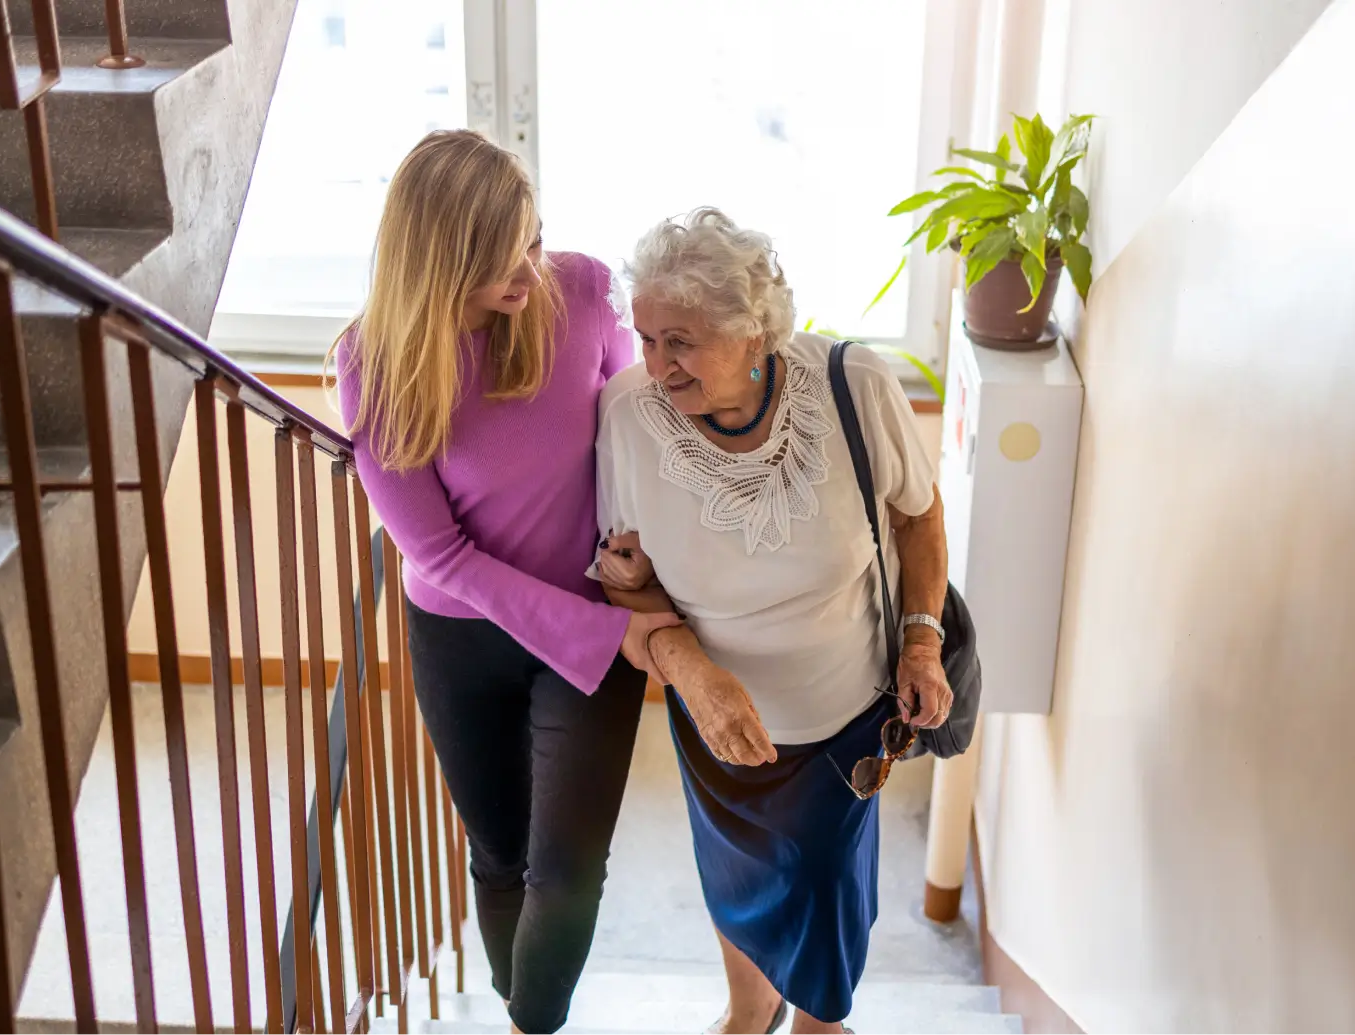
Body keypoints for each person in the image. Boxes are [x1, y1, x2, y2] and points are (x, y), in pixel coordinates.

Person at [331, 130, 680, 1035]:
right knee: (498, 854)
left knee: (566, 867)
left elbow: (632, 442)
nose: (530, 271)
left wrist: (636, 575)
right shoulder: (373, 361)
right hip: (463, 635)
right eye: (501, 259)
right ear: (439, 263)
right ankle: (521, 1006)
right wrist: (603, 632)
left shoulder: (584, 289)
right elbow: (440, 556)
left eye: (533, 237)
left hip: (597, 625)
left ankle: (530, 1022)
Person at [590, 208, 952, 1035]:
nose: (657, 364)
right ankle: (748, 1010)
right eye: (645, 338)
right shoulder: (626, 417)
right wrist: (688, 668)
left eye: (680, 340)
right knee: (737, 873)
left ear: (753, 332)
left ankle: (820, 1024)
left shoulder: (856, 386)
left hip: (846, 715)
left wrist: (923, 639)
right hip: (715, 720)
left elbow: (919, 517)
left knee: (823, 882)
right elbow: (628, 580)